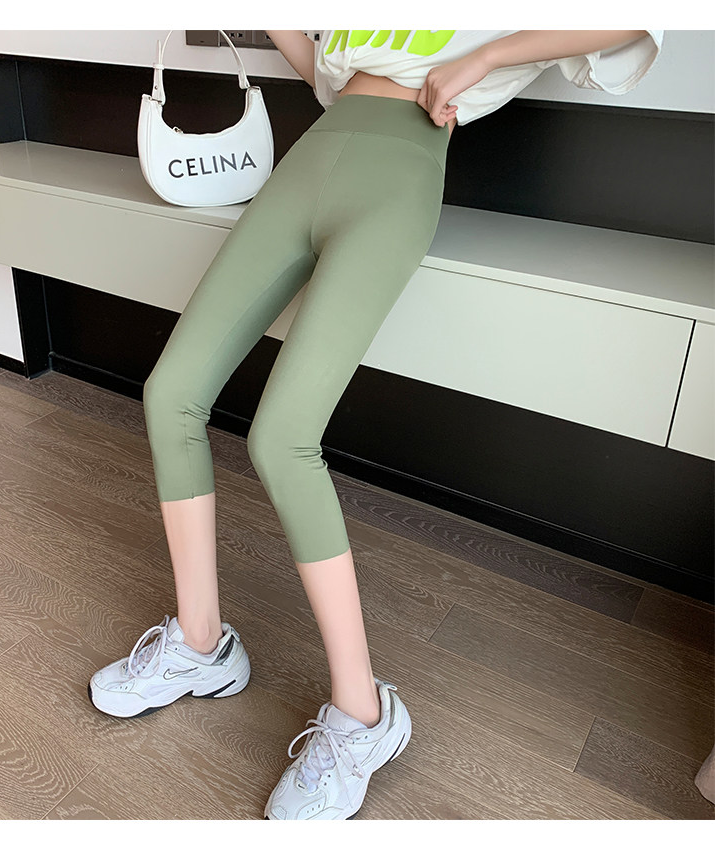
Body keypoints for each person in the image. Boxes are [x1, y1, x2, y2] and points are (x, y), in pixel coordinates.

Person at [87, 30, 663, 820]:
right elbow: (325, 74)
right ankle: (199, 644)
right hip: (314, 153)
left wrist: (484, 59)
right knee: (170, 393)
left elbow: (633, 21)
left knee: (281, 437)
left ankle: (364, 715)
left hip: (400, 167)